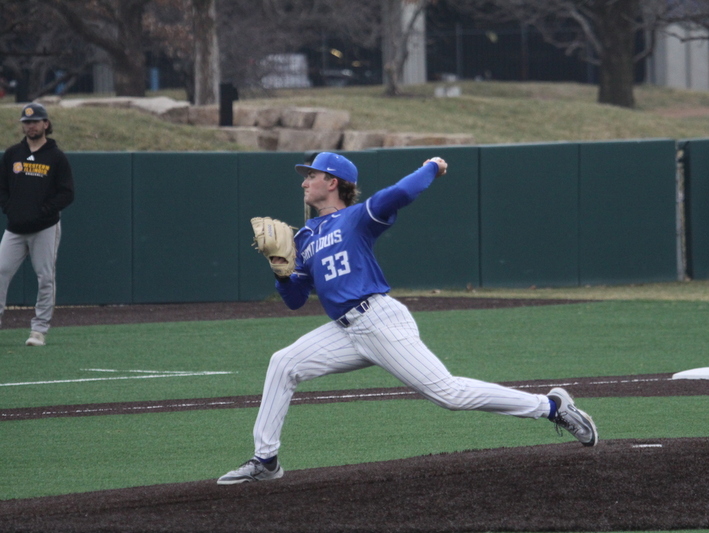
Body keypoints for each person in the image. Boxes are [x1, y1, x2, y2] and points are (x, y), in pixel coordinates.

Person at [217, 152, 597, 485]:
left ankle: (552, 407)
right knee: (283, 363)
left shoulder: (357, 218)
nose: (304, 181)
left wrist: (431, 166)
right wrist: (281, 271)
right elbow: (296, 300)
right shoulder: (305, 236)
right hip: (345, 330)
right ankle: (265, 461)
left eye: (311, 175)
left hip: (379, 321)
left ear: (332, 182)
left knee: (448, 394)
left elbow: (399, 194)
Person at [0, 102, 75, 346]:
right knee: (0, 270)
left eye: (35, 122)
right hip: (15, 227)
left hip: (45, 227)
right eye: (26, 122)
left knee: (45, 277)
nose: (30, 126)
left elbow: (67, 193)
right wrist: (10, 208)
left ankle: (39, 329)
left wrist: (43, 211)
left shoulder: (56, 157)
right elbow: (2, 188)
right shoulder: (13, 154)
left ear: (46, 124)